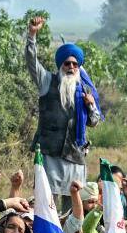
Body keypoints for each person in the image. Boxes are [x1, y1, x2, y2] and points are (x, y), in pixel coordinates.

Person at [24, 16, 101, 211]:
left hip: (75, 155)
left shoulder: (84, 90)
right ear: (61, 66)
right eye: (67, 64)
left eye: (75, 65)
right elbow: (32, 63)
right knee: (47, 205)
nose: (71, 67)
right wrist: (32, 35)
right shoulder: (47, 82)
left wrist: (91, 105)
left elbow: (94, 122)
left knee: (72, 207)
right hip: (50, 154)